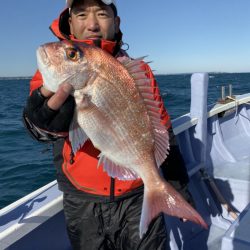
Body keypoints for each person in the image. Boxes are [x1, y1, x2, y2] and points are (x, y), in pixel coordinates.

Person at [23, 0, 194, 249]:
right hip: (83, 200)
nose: (92, 24)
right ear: (70, 22)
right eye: (81, 14)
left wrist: (178, 187)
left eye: (102, 14)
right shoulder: (49, 76)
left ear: (116, 22)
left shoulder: (140, 71)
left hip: (137, 193)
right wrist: (40, 122)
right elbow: (39, 128)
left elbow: (162, 129)